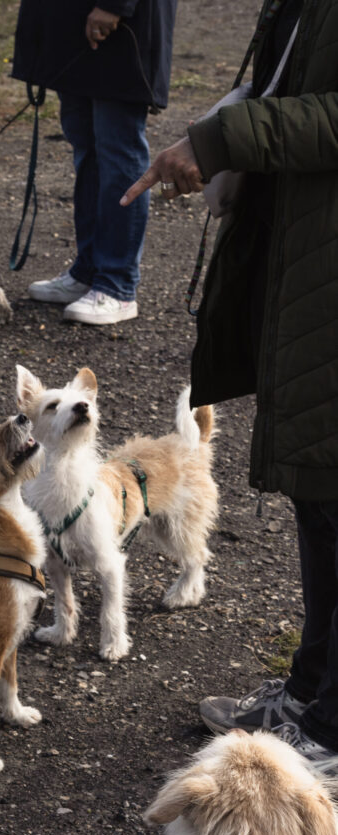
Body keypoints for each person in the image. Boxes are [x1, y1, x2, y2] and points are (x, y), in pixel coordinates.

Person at [121, 0, 338, 772]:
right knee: (318, 489)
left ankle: (334, 732)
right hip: (308, 253)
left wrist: (220, 139)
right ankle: (312, 694)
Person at [11, 0, 178, 326]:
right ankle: (89, 272)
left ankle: (117, 286)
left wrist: (114, 4)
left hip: (119, 25)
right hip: (75, 24)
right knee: (87, 151)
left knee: (118, 153)